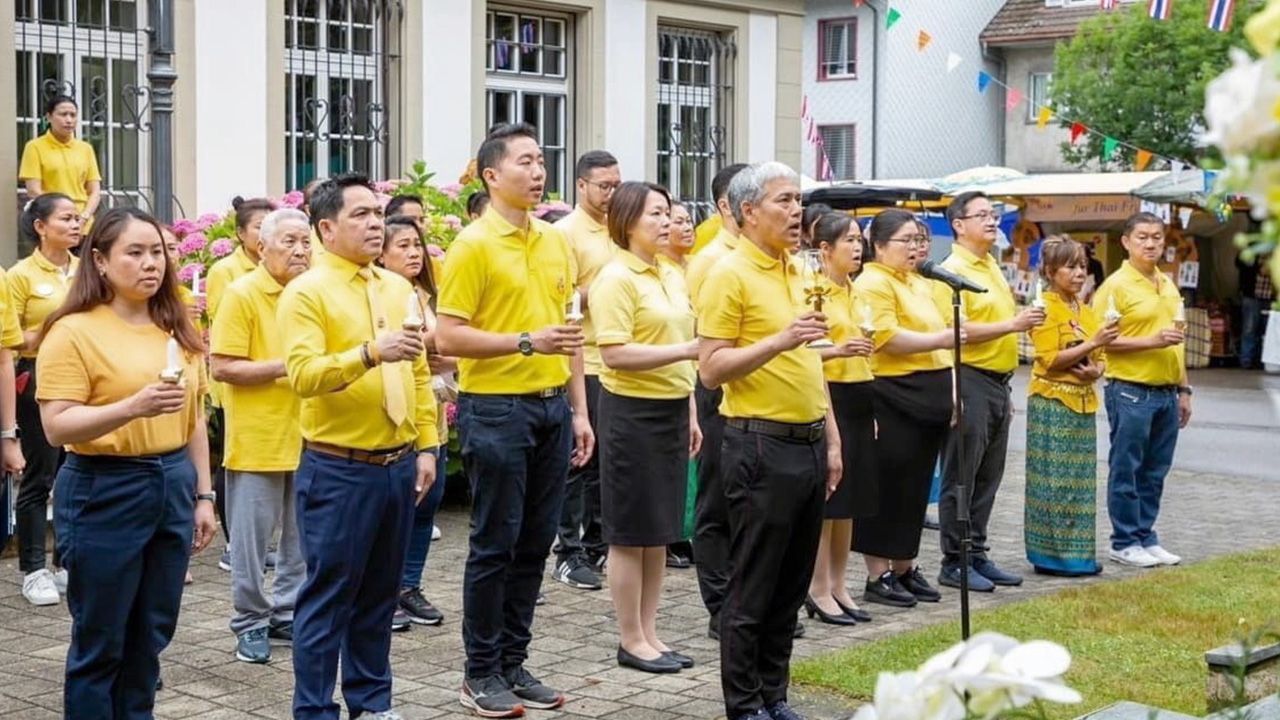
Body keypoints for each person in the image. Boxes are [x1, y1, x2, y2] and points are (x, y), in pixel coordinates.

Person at [435, 123, 593, 718]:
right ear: (491, 176)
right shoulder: (474, 245)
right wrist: (527, 341)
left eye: (542, 159)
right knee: (494, 542)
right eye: (525, 161)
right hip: (496, 408)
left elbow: (570, 335)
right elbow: (447, 335)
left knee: (534, 541)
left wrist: (578, 410)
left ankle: (513, 660)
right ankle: (479, 671)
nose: (538, 170)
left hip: (552, 406)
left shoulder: (554, 241)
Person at [37, 207, 217, 715]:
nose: (150, 263)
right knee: (102, 637)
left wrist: (204, 495)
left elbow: (195, 418)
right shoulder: (73, 331)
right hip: (104, 486)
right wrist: (132, 407)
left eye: (157, 251)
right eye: (134, 252)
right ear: (100, 260)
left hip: (172, 481)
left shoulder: (177, 327)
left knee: (150, 635)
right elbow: (57, 425)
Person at [279, 173, 438, 720]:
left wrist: (427, 445)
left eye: (378, 212)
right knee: (328, 599)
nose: (377, 223)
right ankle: (315, 709)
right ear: (326, 228)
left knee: (378, 596)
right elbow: (302, 375)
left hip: (397, 464)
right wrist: (368, 353)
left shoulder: (395, 287)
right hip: (338, 467)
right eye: (362, 215)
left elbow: (417, 372)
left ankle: (371, 703)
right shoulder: (306, 292)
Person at [698, 161, 841, 720]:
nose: (796, 210)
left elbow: (809, 364)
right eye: (783, 200)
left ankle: (774, 695)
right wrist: (781, 339)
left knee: (790, 584)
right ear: (748, 211)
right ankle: (745, 704)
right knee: (754, 583)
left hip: (805, 440)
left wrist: (830, 439)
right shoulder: (728, 275)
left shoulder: (796, 269)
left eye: (799, 199)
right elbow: (711, 369)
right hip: (758, 444)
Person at [591, 181, 701, 674]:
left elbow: (687, 348)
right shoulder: (616, 278)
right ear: (628, 220)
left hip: (673, 407)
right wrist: (684, 353)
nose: (667, 222)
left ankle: (652, 632)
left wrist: (693, 411)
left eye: (668, 213)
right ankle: (629, 637)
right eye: (656, 214)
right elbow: (614, 353)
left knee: (659, 531)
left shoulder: (671, 274)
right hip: (631, 412)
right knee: (630, 531)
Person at [210, 208, 312, 664]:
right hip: (258, 436)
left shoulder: (313, 293)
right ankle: (249, 621)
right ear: (261, 246)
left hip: (311, 432)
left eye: (306, 242)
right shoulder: (242, 293)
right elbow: (223, 365)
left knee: (299, 538)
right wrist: (286, 368)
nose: (300, 250)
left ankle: (286, 612)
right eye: (289, 241)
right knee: (251, 543)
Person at [935, 192, 1045, 593]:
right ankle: (954, 559)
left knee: (988, 475)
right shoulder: (950, 271)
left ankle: (976, 551)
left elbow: (1000, 322)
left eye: (994, 214)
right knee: (961, 474)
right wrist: (1011, 326)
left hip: (998, 381)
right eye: (981, 215)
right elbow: (955, 331)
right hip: (969, 377)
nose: (992, 220)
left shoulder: (992, 267)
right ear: (958, 224)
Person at [852, 209, 957, 609]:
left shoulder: (919, 282)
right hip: (894, 392)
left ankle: (904, 565)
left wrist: (950, 388)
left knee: (915, 489)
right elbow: (886, 337)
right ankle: (877, 573)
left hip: (929, 391)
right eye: (906, 241)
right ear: (878, 246)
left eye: (919, 240)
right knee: (889, 486)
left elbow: (942, 342)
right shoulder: (873, 283)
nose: (916, 248)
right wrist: (942, 339)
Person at [1092, 212, 1192, 569]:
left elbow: (1176, 342)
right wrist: (1150, 340)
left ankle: (1146, 535)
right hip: (1131, 390)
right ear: (1126, 242)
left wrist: (1184, 389)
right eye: (1142, 237)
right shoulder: (1115, 286)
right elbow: (1100, 342)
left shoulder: (1166, 284)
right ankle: (1124, 540)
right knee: (1127, 469)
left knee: (1155, 470)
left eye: (1157, 237)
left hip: (1167, 390)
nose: (1151, 244)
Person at [683, 162, 753, 641]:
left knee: (745, 499)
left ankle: (745, 599)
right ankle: (718, 603)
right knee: (716, 500)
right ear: (729, 206)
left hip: (753, 394)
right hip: (717, 388)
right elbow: (703, 337)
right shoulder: (713, 259)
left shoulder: (761, 257)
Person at [378, 215, 455, 630]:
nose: (413, 253)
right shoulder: (380, 296)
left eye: (416, 245)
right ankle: (384, 593)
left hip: (433, 413)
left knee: (430, 498)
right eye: (402, 245)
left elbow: (450, 347)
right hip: (396, 417)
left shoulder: (425, 294)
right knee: (400, 508)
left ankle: (410, 585)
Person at [1025, 236, 1118, 576]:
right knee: (1053, 484)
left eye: (1082, 266)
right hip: (1053, 403)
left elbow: (1101, 355)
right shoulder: (1044, 308)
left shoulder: (1087, 310)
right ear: (1050, 271)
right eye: (1070, 266)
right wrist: (1092, 343)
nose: (1079, 273)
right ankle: (1052, 557)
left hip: (1082, 403)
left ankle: (1078, 555)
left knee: (1080, 483)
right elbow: (1049, 359)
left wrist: (1097, 368)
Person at [552, 150, 620, 592]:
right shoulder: (565, 234)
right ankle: (567, 551)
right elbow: (562, 300)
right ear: (581, 185)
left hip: (618, 360)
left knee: (608, 463)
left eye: (616, 184)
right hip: (585, 358)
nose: (611, 193)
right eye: (603, 186)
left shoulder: (621, 227)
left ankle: (597, 543)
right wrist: (602, 291)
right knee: (580, 460)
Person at [806, 212, 876, 626]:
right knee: (829, 499)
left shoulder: (856, 291)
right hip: (829, 390)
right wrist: (840, 349)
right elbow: (809, 352)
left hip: (860, 391)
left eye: (858, 240)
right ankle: (816, 587)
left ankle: (839, 583)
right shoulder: (814, 293)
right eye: (848, 241)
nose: (857, 248)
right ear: (825, 249)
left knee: (851, 499)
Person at [11, 193, 79, 606]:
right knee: (41, 472)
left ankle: (67, 561)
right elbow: (10, 339)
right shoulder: (20, 276)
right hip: (38, 375)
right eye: (66, 218)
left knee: (77, 472)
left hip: (84, 377)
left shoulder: (87, 269)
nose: (76, 225)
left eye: (78, 218)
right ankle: (33, 567)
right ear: (41, 226)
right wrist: (51, 332)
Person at [207, 195, 274, 572]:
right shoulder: (226, 272)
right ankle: (235, 544)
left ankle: (259, 545)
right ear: (240, 233)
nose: (264, 234)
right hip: (235, 377)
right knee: (233, 459)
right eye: (257, 228)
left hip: (269, 375)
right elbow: (223, 325)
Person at [18, 95, 102, 224]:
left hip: (83, 222)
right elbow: (33, 190)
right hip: (52, 220)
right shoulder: (35, 147)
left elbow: (94, 190)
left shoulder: (86, 149)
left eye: (73, 115)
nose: (68, 120)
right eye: (63, 114)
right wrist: (61, 214)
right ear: (49, 117)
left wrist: (85, 216)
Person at [1236, 252, 1274, 369]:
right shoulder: (1253, 252)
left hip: (1270, 297)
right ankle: (1246, 359)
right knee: (1249, 329)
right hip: (1252, 296)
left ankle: (1262, 359)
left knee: (1267, 330)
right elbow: (1239, 262)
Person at [660, 201, 697, 269]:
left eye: (688, 221)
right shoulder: (658, 266)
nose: (688, 228)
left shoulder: (698, 263)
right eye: (679, 222)